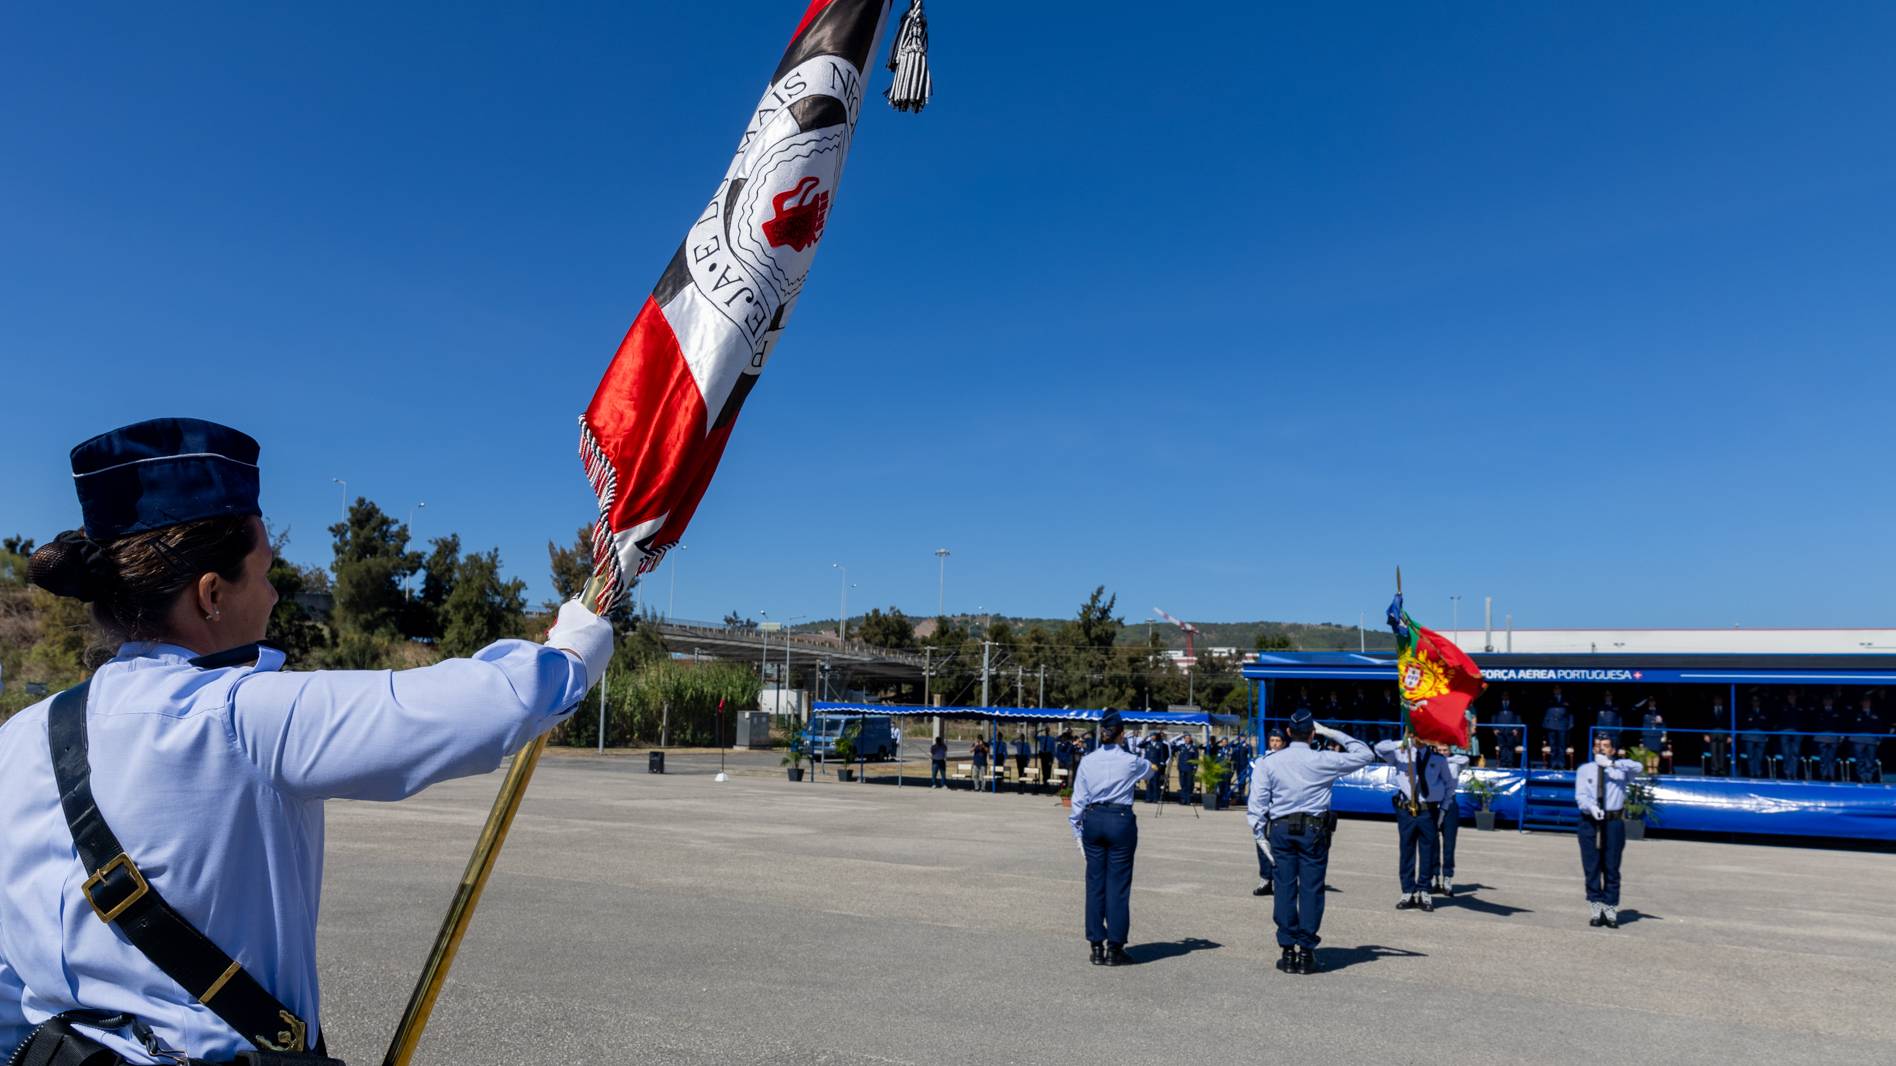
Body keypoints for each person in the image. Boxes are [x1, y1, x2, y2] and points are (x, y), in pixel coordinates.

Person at [0, 418, 614, 1065]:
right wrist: (574, 648)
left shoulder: (18, 740)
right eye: (266, 573)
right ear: (210, 595)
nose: (272, 596)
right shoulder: (237, 718)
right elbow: (489, 705)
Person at [1247, 711, 1374, 975]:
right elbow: (1364, 753)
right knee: (1312, 889)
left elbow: (1257, 802)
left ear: (1288, 733)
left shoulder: (1269, 762)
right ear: (1312, 734)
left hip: (1281, 829)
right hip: (1313, 831)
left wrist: (1259, 834)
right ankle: (1306, 952)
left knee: (1283, 888)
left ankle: (1287, 950)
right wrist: (1330, 731)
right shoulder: (1324, 758)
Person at [1068, 709, 1155, 967]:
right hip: (1119, 819)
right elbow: (1149, 772)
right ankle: (1115, 947)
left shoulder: (1088, 760)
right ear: (1121, 734)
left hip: (1093, 819)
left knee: (1095, 883)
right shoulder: (1130, 761)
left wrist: (1077, 831)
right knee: (1118, 885)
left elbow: (1078, 799)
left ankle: (1096, 945)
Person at [1374, 731, 1466, 910]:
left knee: (1427, 851)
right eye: (1417, 732)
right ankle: (1407, 891)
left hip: (1427, 811)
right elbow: (1378, 748)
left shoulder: (1438, 759)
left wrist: (1444, 809)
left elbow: (1449, 785)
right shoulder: (1400, 754)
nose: (1420, 737)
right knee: (1406, 850)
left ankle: (1424, 890)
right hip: (1406, 810)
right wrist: (1403, 741)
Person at [1575, 733, 1646, 929]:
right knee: (1592, 866)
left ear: (1613, 750)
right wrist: (1591, 807)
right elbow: (1580, 796)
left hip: (1613, 822)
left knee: (1612, 866)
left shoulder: (1620, 770)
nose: (1601, 749)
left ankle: (1610, 907)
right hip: (1591, 821)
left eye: (1606, 746)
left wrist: (1613, 764)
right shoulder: (1585, 770)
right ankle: (1596, 907)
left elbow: (1638, 768)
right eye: (1598, 745)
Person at [1246, 731, 1287, 895]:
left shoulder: (1287, 761)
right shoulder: (1262, 761)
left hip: (1281, 809)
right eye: (1272, 740)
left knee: (1280, 847)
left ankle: (1280, 882)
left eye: (1278, 740)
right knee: (1262, 844)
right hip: (1264, 809)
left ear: (1283, 743)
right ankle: (1265, 880)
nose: (1275, 743)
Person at [1432, 742, 1468, 895]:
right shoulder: (1431, 761)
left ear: (1450, 750)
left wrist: (1446, 759)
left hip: (1450, 803)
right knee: (1432, 844)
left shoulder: (1456, 761)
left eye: (1445, 750)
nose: (1442, 752)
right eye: (1439, 750)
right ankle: (1434, 877)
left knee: (1449, 844)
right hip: (1433, 803)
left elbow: (1464, 759)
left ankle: (1447, 878)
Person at [1849, 696, 1884, 783]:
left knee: (1870, 759)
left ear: (1870, 703)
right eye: (1864, 701)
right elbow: (1853, 726)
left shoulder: (1876, 714)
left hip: (1872, 739)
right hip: (1858, 739)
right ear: (1861, 703)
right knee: (1860, 759)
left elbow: (1879, 726)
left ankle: (1869, 777)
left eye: (1867, 701)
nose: (1866, 703)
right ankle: (1861, 777)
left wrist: (1879, 738)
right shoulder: (1856, 714)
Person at [1812, 695, 1844, 781]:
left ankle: (1832, 775)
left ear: (1832, 701)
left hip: (1834, 737)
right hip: (1821, 737)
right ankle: (1824, 775)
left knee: (1832, 757)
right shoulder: (1818, 711)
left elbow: (1840, 724)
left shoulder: (1837, 711)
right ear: (1823, 701)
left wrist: (1841, 736)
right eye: (1826, 700)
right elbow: (1816, 723)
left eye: (1830, 700)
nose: (1828, 702)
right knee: (1823, 757)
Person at [1740, 693, 1771, 778]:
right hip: (1749, 736)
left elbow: (1766, 724)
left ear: (1759, 702)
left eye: (1757, 701)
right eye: (1754, 701)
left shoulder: (1764, 712)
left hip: (1761, 736)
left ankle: (1758, 772)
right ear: (1751, 702)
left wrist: (1767, 735)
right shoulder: (1747, 712)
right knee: (1750, 756)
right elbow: (1745, 723)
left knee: (1759, 756)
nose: (1755, 703)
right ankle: (1752, 773)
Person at [1542, 687, 1573, 769]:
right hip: (1551, 725)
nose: (1556, 690)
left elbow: (1570, 712)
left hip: (1562, 725)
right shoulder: (1549, 699)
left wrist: (1570, 724)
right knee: (1553, 746)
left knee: (1561, 746)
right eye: (1555, 689)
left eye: (1558, 689)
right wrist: (1545, 723)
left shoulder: (1566, 699)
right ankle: (1553, 764)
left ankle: (1561, 764)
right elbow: (1545, 711)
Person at [1492, 695, 1524, 769]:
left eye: (1506, 695)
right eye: (1504, 695)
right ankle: (1503, 764)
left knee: (1510, 747)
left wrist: (1516, 729)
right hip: (1500, 730)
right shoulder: (1497, 705)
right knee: (1502, 747)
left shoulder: (1514, 705)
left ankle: (1510, 764)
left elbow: (1518, 718)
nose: (1505, 696)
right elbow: (1494, 717)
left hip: (1511, 730)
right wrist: (1494, 728)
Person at [1142, 731, 1170, 803]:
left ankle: (1155, 798)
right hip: (1148, 765)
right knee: (1148, 782)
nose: (1152, 737)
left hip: (1156, 765)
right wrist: (1146, 738)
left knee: (1155, 782)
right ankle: (1148, 798)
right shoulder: (1147, 744)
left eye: (1154, 736)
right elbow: (1140, 745)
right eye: (1151, 736)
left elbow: (1162, 754)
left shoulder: (1160, 744)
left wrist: (1162, 763)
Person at [1175, 734, 1198, 804]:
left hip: (1189, 768)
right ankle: (1183, 799)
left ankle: (1188, 800)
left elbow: (1196, 758)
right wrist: (1178, 738)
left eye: (1188, 738)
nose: (1187, 740)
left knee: (1189, 784)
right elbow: (1172, 746)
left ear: (1190, 739)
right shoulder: (1181, 746)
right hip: (1182, 768)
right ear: (1184, 739)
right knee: (1182, 784)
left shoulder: (1194, 748)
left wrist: (1195, 767)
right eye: (1186, 738)